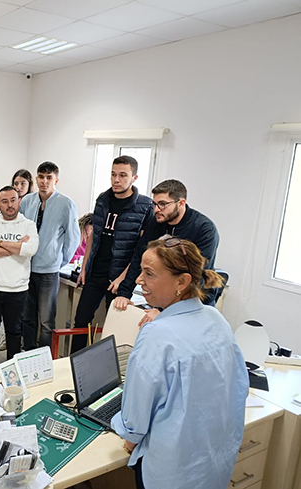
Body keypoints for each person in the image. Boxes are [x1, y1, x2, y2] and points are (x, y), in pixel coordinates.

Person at [111, 238, 248, 489]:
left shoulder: (157, 334)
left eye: (149, 273)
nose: (139, 280)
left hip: (170, 472)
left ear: (182, 282)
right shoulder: (216, 319)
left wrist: (129, 440)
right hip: (214, 463)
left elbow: (134, 423)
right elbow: (238, 389)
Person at [71, 155, 153, 353]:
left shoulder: (144, 206)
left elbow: (140, 250)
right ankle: (75, 363)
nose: (116, 180)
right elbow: (94, 235)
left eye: (123, 175)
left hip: (119, 278)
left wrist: (122, 278)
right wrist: (84, 267)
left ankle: (108, 367)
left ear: (134, 178)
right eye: (113, 174)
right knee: (80, 321)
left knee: (114, 329)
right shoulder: (103, 199)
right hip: (95, 273)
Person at [113, 179, 221, 319]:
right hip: (167, 298)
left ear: (181, 203)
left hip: (195, 303)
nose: (156, 209)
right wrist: (124, 294)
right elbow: (139, 257)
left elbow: (197, 277)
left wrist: (165, 310)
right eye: (154, 204)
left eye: (163, 204)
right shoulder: (156, 223)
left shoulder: (204, 229)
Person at [20, 162, 80, 349]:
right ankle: (27, 353)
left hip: (49, 271)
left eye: (49, 178)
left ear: (56, 180)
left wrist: (58, 261)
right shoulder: (27, 201)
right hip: (26, 268)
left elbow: (73, 238)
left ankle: (44, 358)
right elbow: (19, 230)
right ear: (36, 178)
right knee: (27, 317)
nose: (44, 181)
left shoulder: (66, 204)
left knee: (46, 321)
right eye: (41, 177)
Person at [0, 186, 38, 367]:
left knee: (14, 330)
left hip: (17, 289)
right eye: (4, 201)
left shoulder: (28, 225)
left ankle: (12, 366)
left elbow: (30, 249)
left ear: (19, 201)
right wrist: (16, 246)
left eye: (13, 200)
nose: (10, 205)